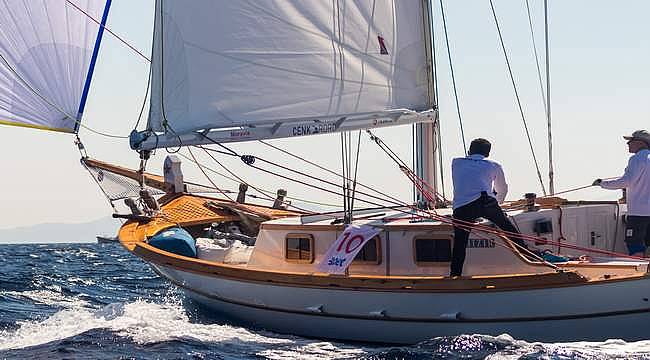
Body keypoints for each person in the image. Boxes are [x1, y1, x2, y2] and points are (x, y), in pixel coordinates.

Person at [450, 138, 527, 277]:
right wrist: (498, 203)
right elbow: (502, 189)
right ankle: (529, 255)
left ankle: (455, 274)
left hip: (463, 207)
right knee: (508, 229)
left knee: (460, 242)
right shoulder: (494, 165)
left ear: (469, 150)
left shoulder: (456, 162)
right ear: (488, 154)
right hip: (486, 202)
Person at [593, 130, 650, 257]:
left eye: (630, 141)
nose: (628, 144)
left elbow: (626, 181)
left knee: (634, 243)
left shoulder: (637, 159)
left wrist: (602, 183)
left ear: (640, 143)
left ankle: (638, 274)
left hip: (638, 213)